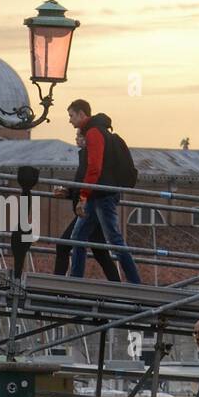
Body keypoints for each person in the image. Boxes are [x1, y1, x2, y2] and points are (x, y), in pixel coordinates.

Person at [65, 100, 141, 285]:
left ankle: (135, 283)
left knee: (113, 239)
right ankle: (75, 281)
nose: (69, 120)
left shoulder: (93, 133)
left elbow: (94, 168)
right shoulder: (100, 130)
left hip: (101, 194)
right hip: (98, 193)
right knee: (79, 236)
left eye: (71, 116)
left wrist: (83, 196)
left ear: (82, 114)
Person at [54, 130, 120, 282]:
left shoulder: (89, 156)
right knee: (101, 253)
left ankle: (57, 287)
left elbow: (88, 182)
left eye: (79, 136)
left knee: (64, 245)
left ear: (86, 138)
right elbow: (84, 183)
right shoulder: (86, 155)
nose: (76, 139)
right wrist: (69, 192)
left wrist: (72, 192)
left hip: (89, 208)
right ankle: (120, 288)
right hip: (92, 206)